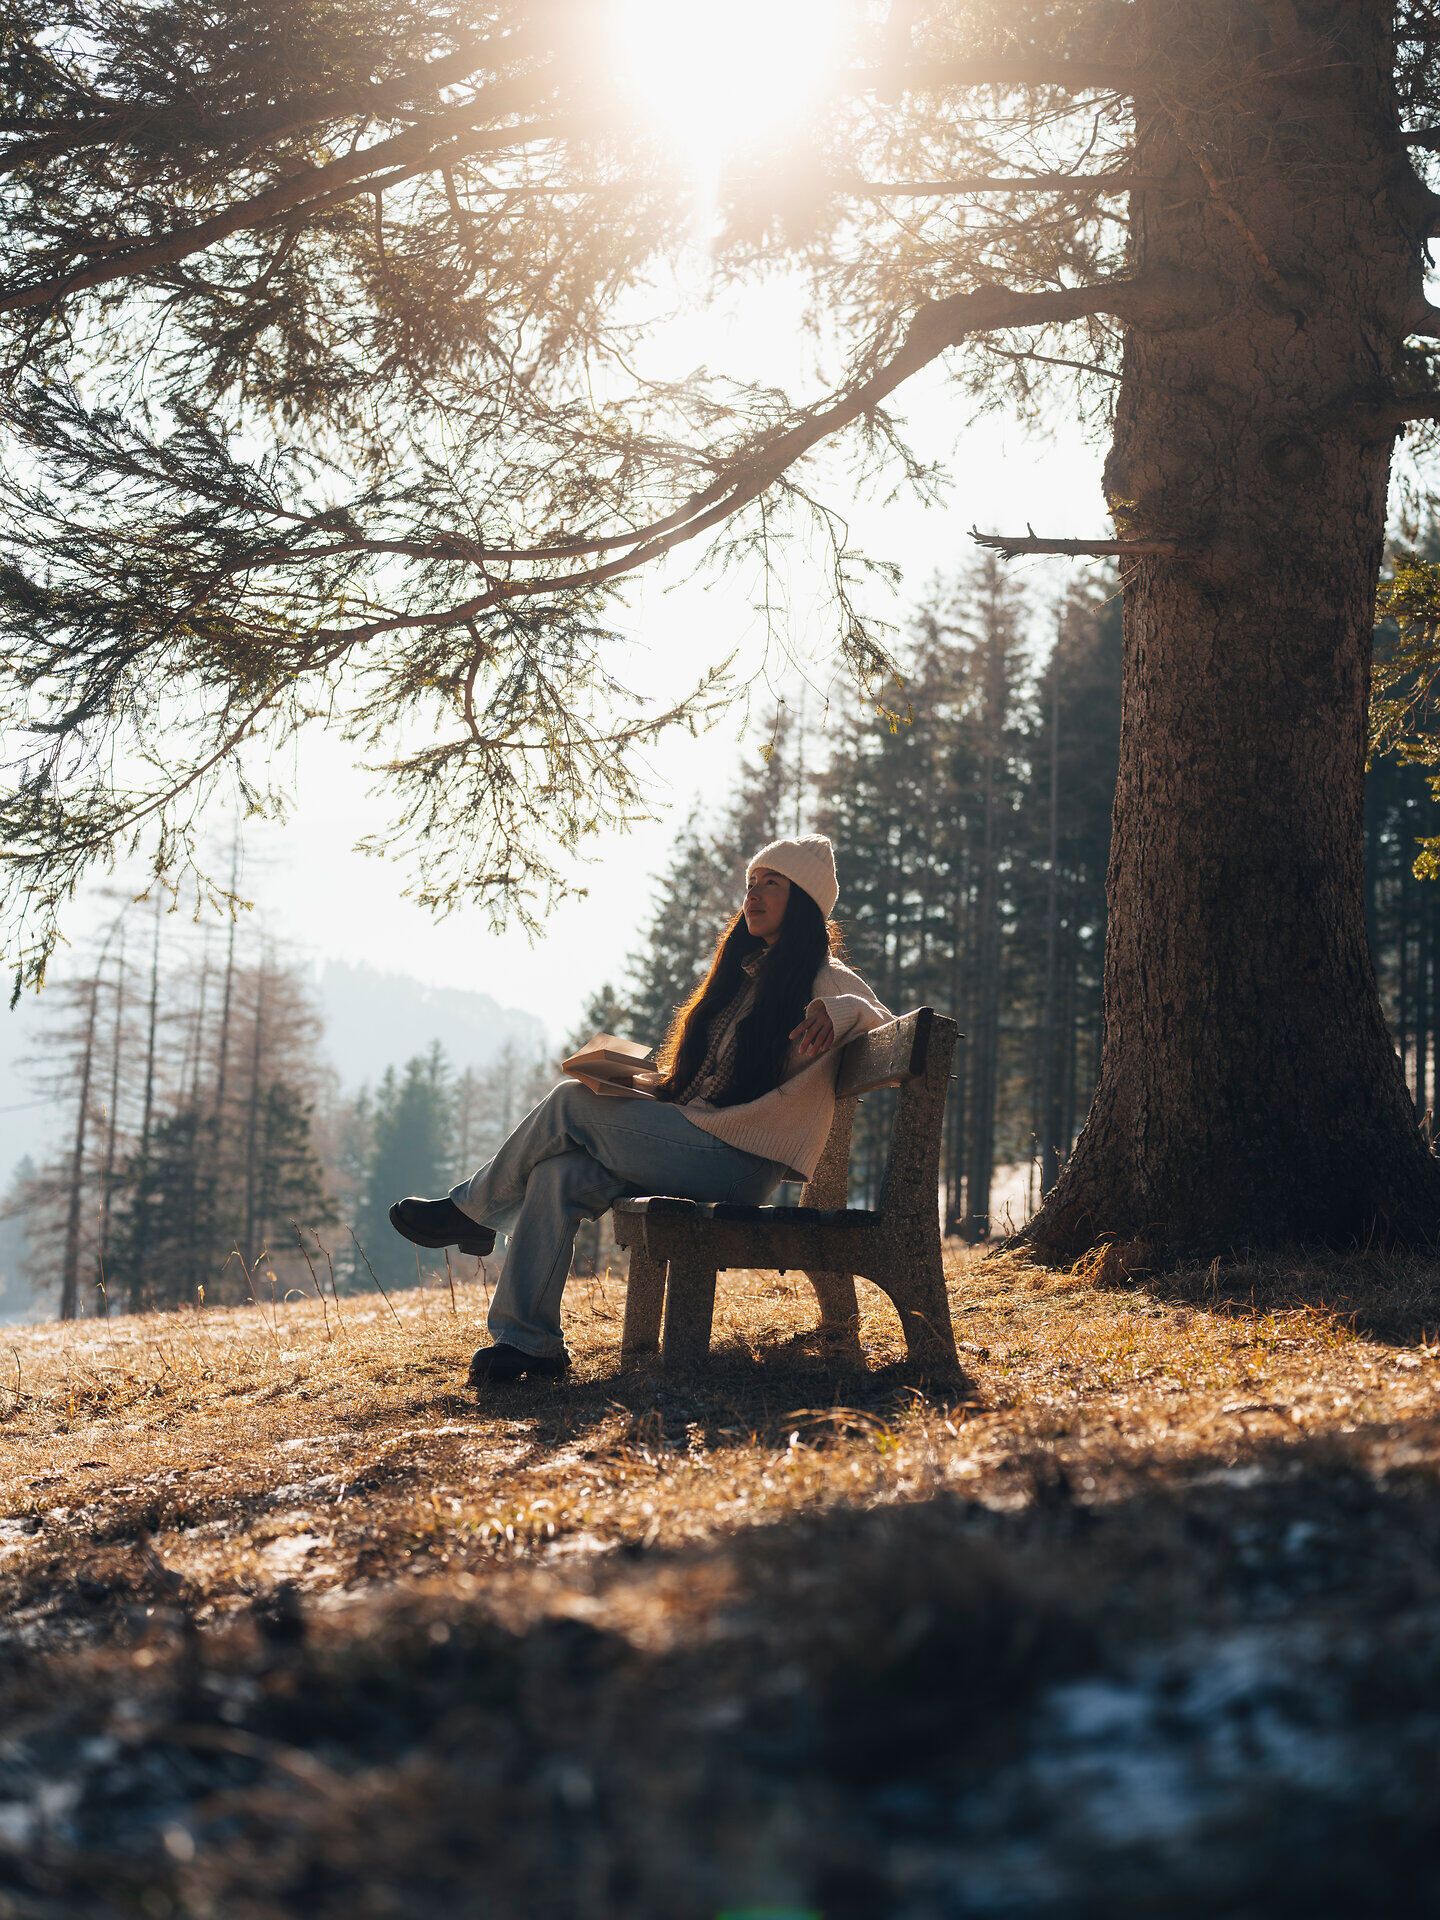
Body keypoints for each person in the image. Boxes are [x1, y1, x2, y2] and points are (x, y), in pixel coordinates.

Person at [390, 834, 895, 1385]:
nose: (754, 895)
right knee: (559, 1174)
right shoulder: (747, 977)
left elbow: (887, 1025)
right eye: (751, 884)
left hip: (738, 1160)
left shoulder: (821, 975)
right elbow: (709, 1088)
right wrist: (644, 1085)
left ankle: (470, 1213)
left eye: (771, 884)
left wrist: (841, 1008)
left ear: (803, 901)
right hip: (699, 1141)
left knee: (569, 1104)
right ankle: (528, 1343)